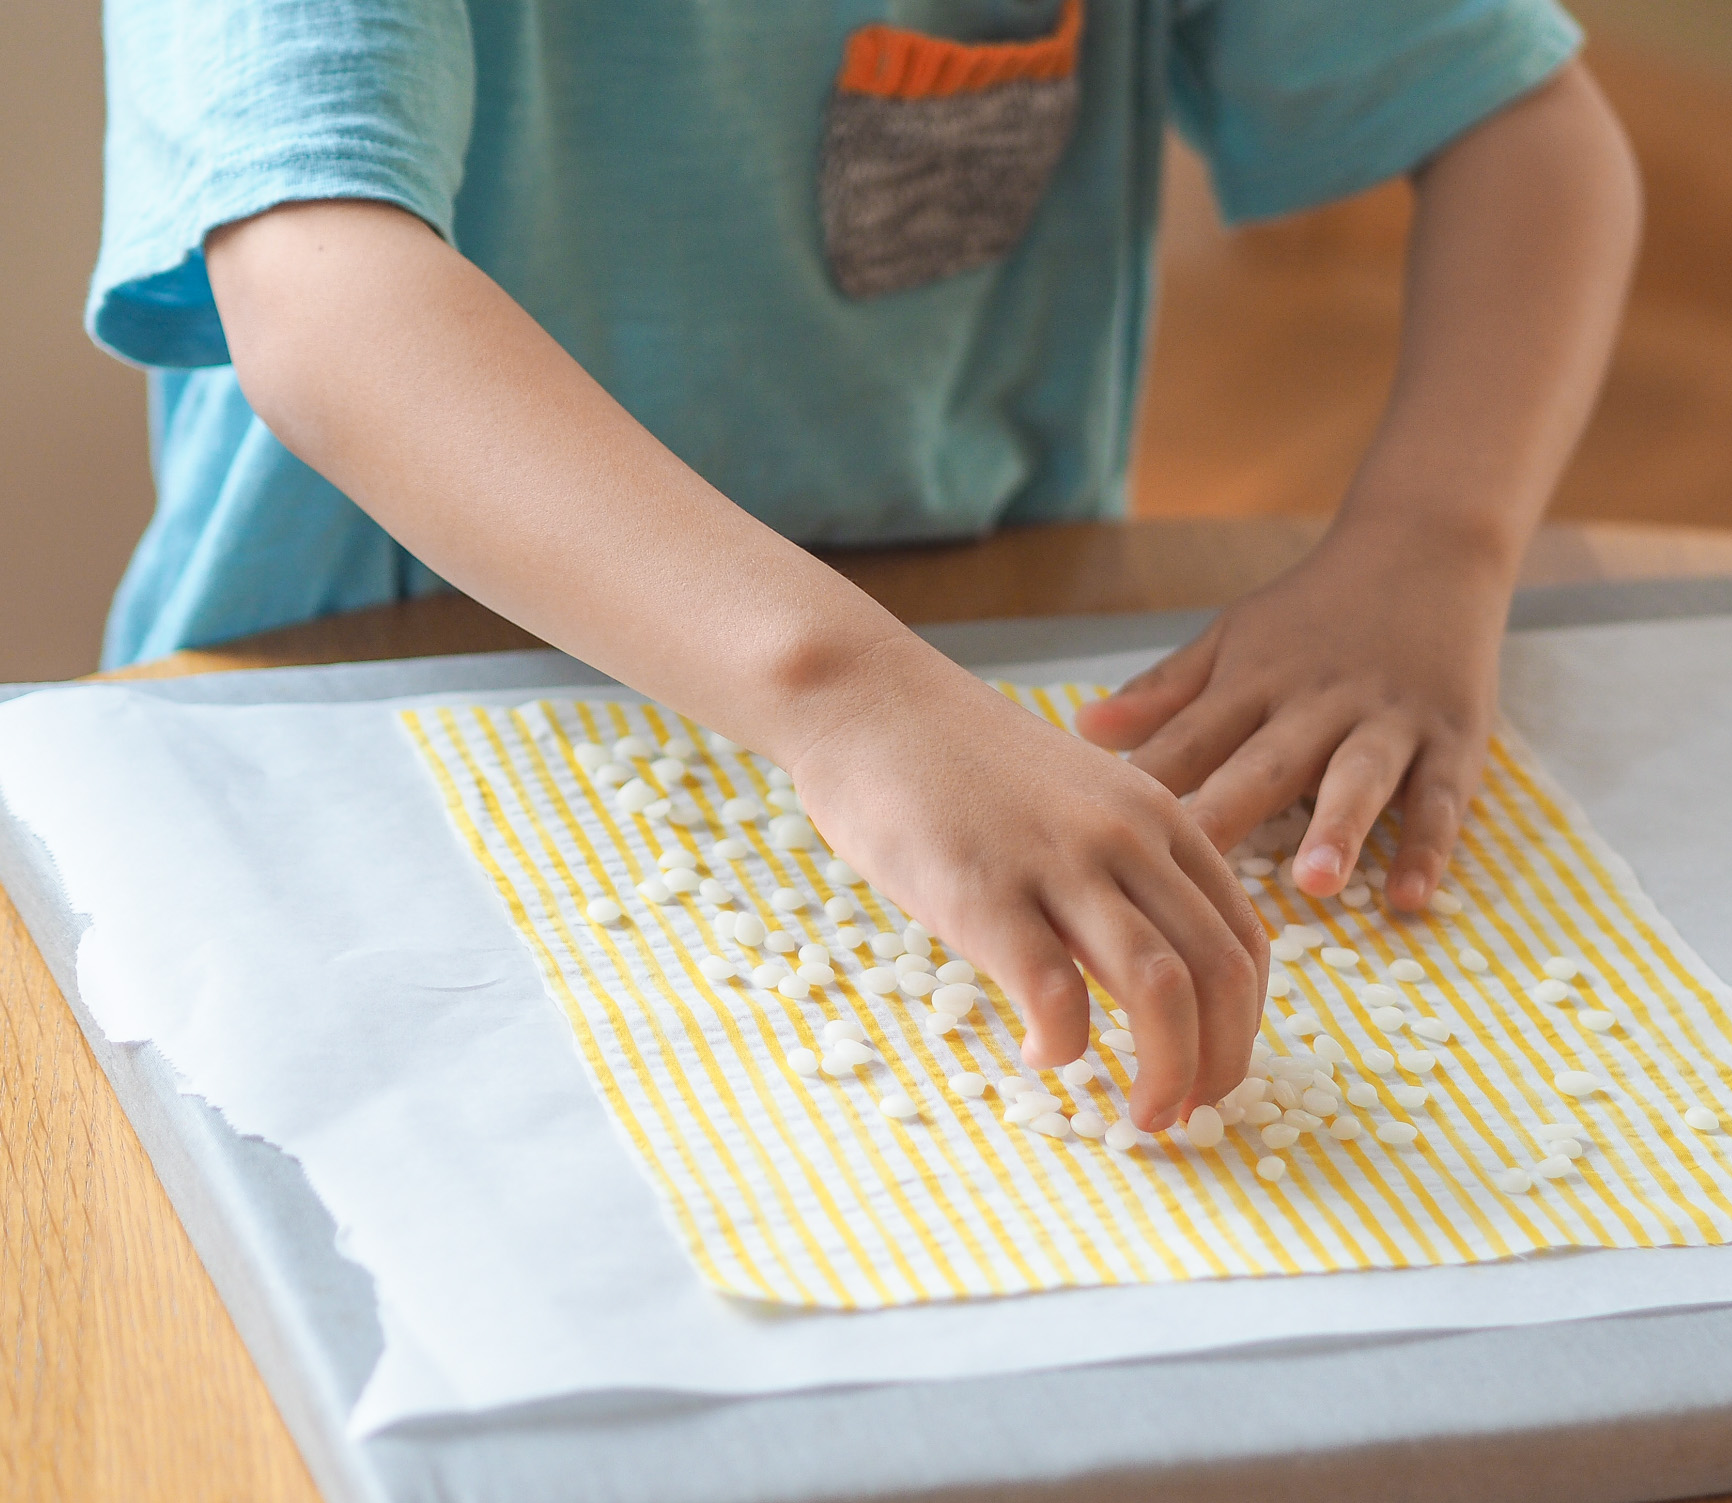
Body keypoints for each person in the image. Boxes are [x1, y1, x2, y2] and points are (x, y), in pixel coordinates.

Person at [88, 0, 1640, 1132]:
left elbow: (1529, 133)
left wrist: (1435, 538)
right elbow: (318, 286)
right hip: (361, 748)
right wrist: (845, 696)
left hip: (982, 692)